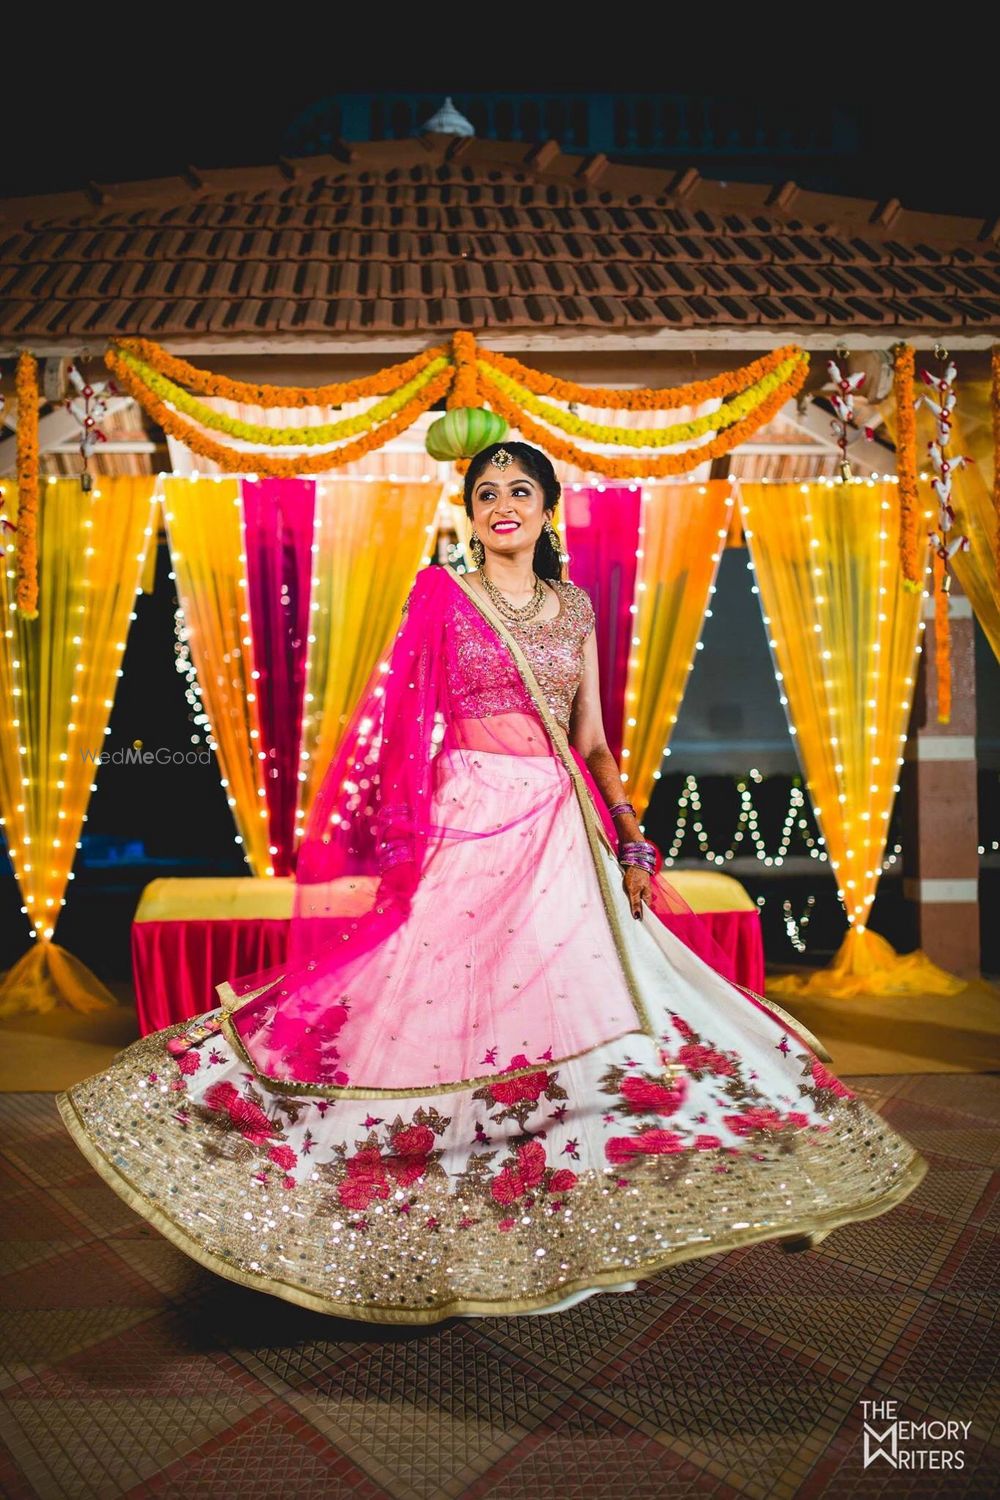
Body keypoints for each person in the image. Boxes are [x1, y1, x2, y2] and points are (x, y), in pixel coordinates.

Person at [57, 441, 927, 1323]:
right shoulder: (443, 595)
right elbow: (403, 726)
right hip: (470, 822)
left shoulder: (575, 608)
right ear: (469, 513)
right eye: (485, 494)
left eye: (519, 491)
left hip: (563, 824)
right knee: (444, 1014)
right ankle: (438, 1216)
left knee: (591, 1008)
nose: (501, 504)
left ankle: (591, 1223)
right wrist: (407, 831)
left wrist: (628, 832)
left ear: (549, 508)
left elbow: (591, 741)